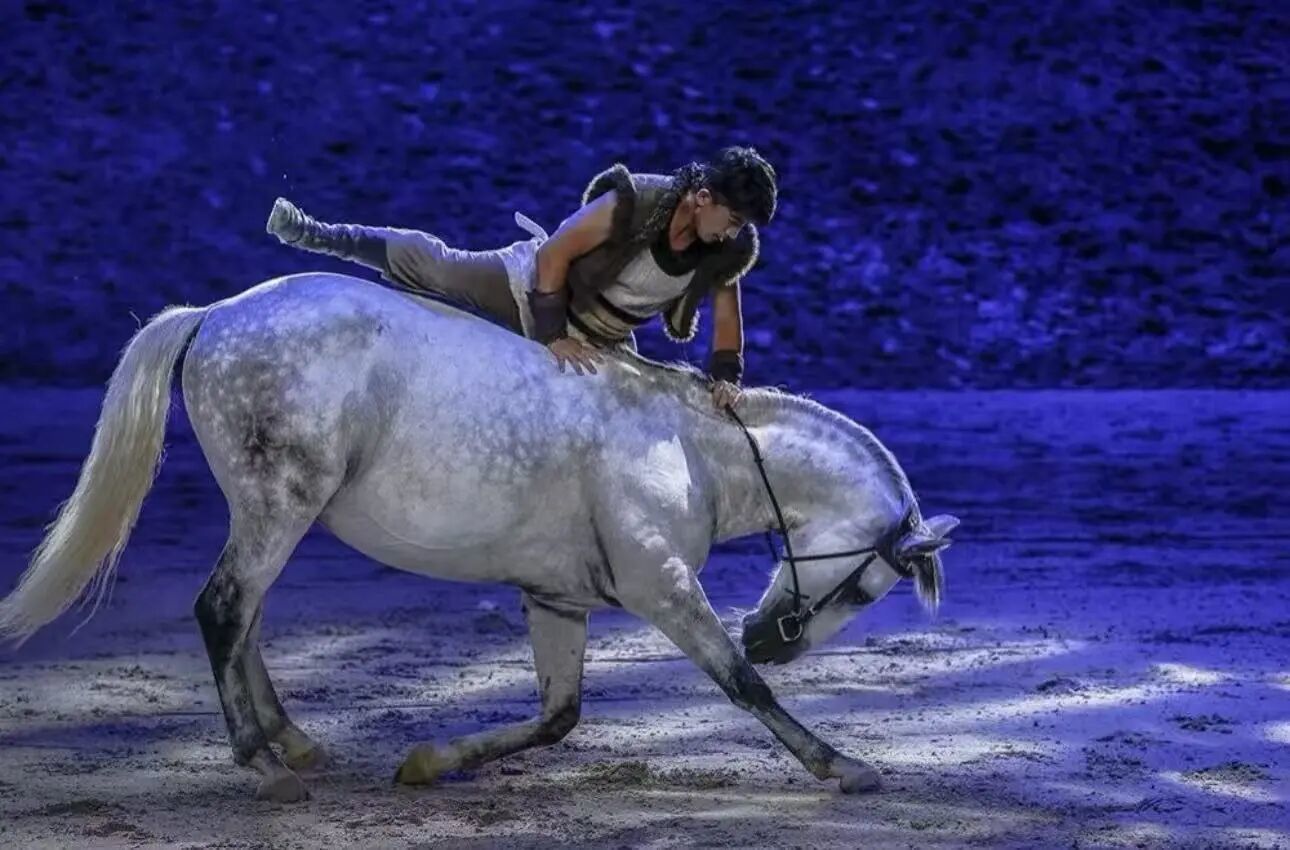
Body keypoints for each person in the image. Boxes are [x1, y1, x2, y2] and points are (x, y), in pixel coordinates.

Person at [265, 146, 777, 410]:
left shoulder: (725, 249)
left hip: (603, 340)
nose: (733, 233)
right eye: (733, 219)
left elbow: (726, 325)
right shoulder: (634, 200)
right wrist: (553, 336)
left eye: (741, 227)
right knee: (439, 267)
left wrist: (726, 381)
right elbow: (555, 254)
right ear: (703, 198)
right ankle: (320, 234)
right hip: (535, 291)